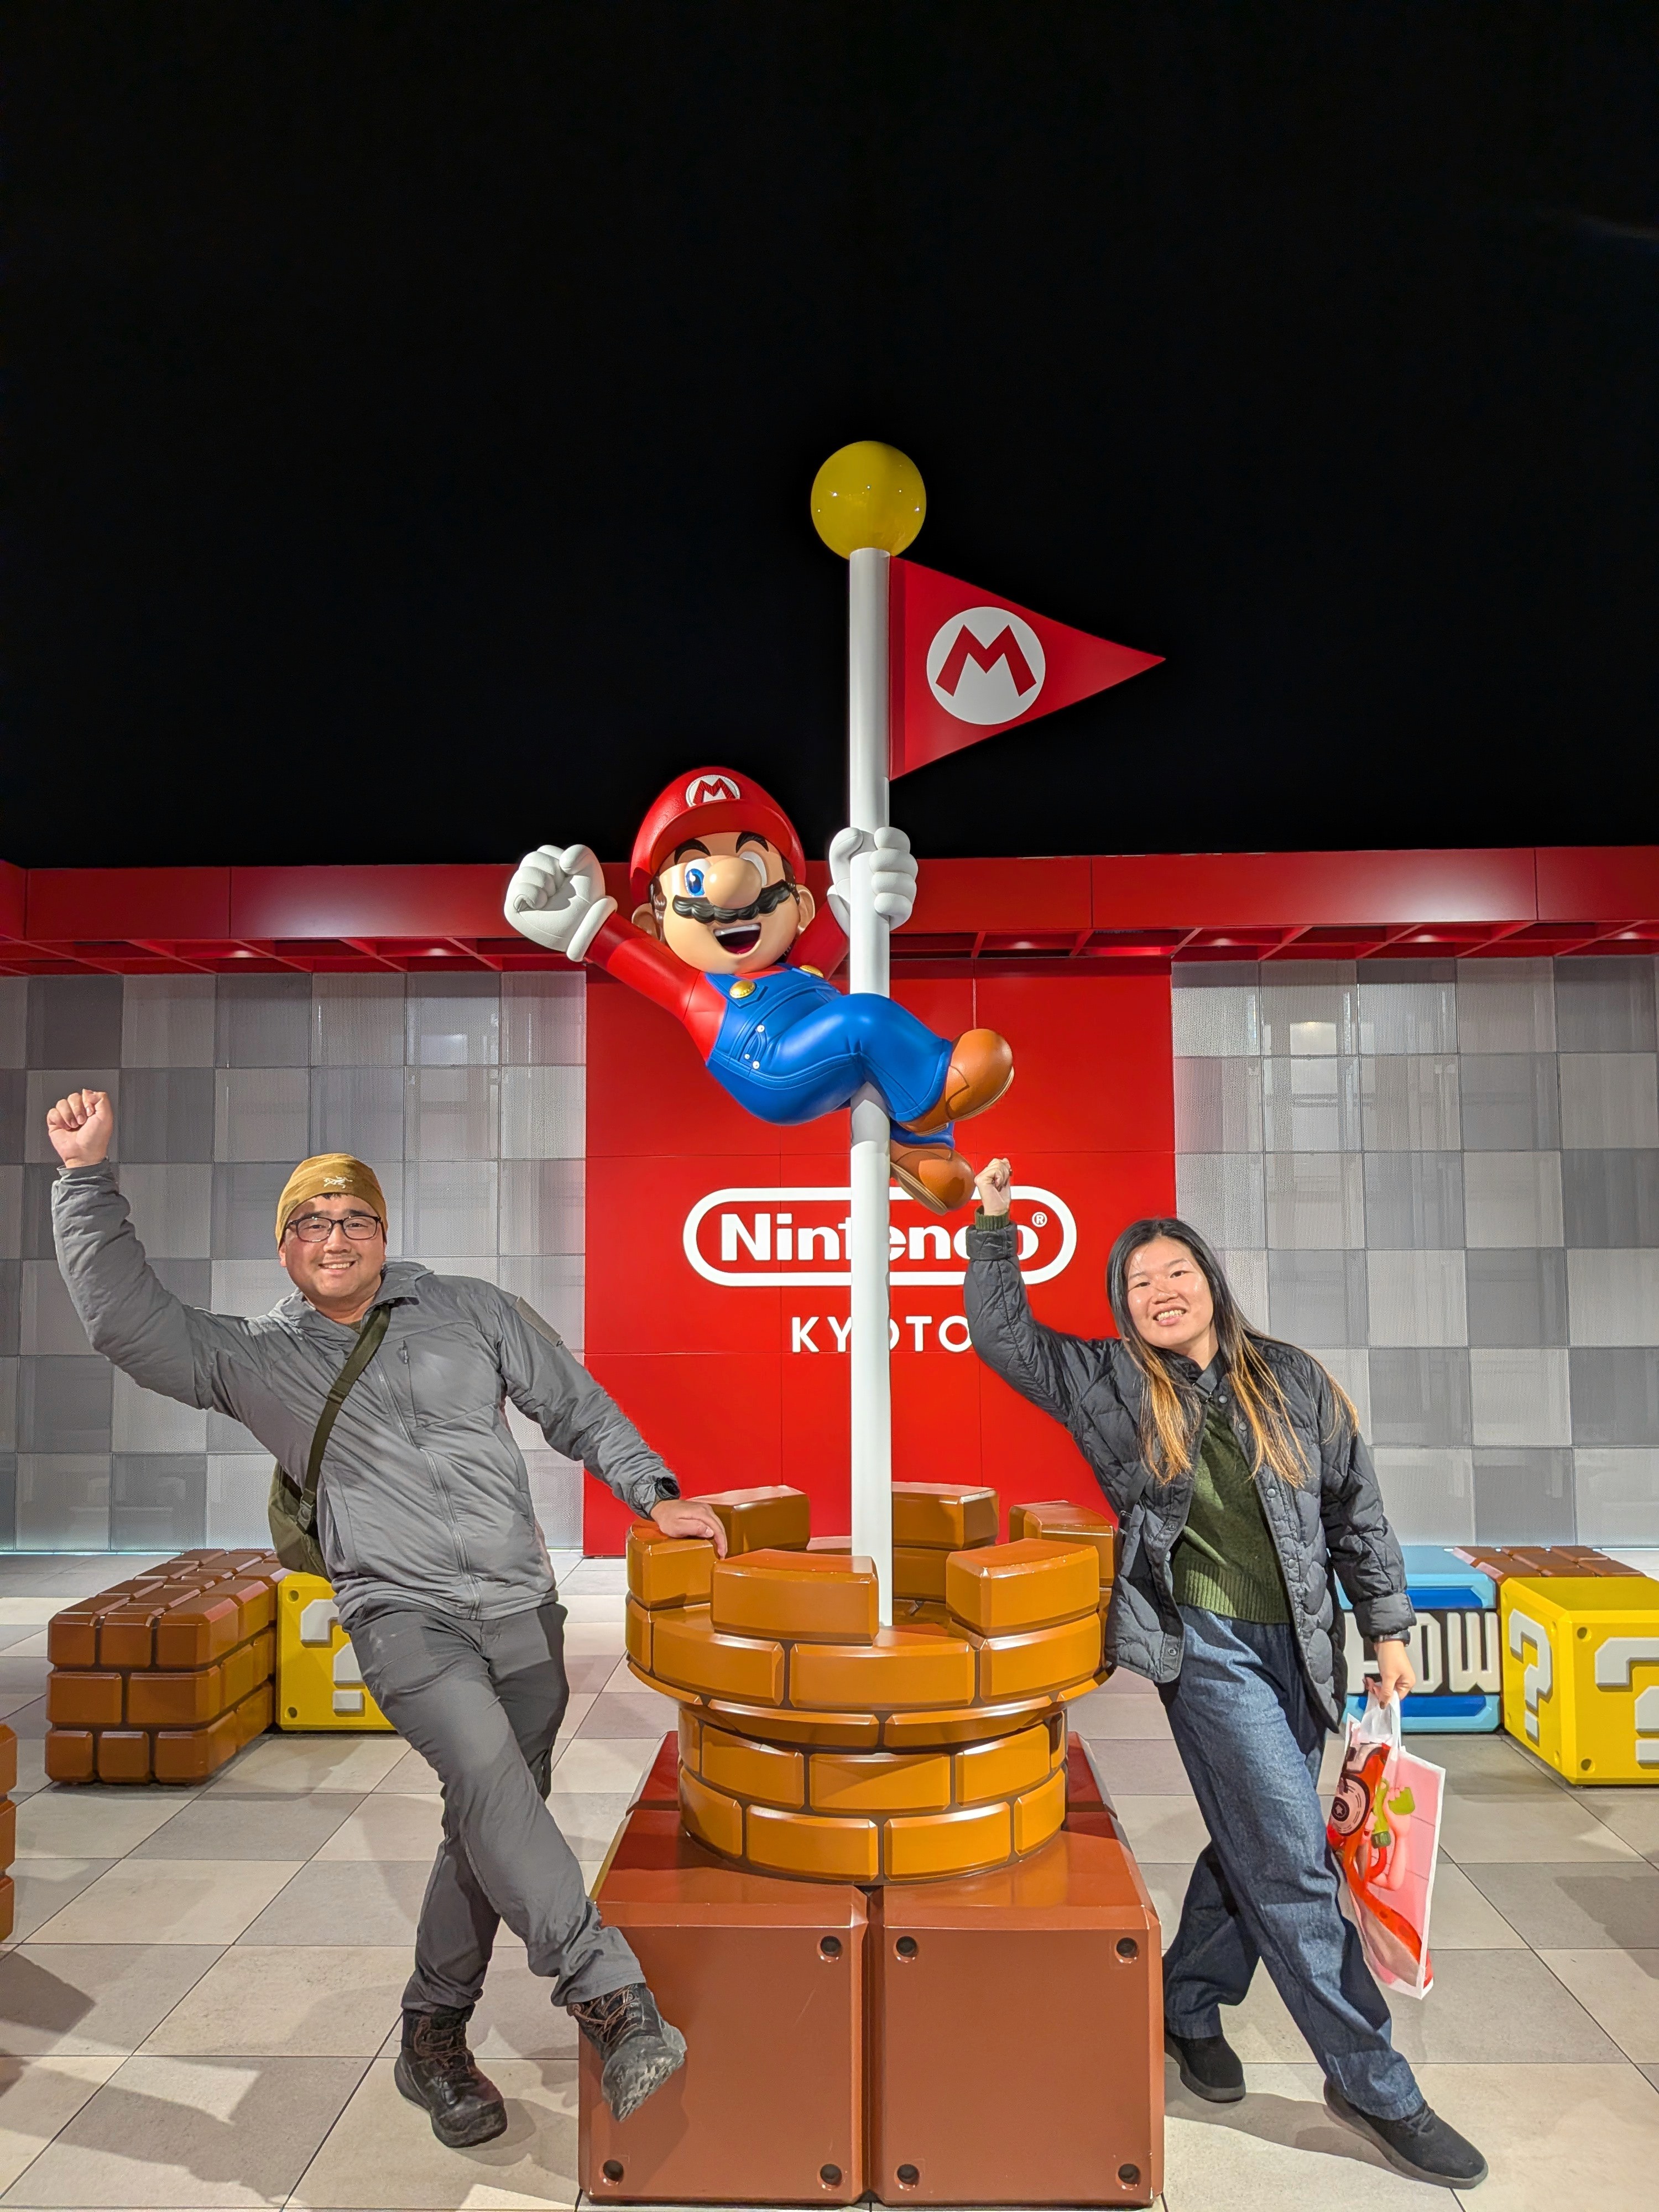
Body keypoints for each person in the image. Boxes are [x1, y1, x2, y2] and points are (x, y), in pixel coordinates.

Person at [47, 1088, 724, 2150]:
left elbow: (574, 1404)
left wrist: (650, 1487)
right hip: (402, 1615)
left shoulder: (471, 1309)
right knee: (494, 1786)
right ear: (283, 1248)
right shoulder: (252, 1361)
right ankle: (611, 1999)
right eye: (310, 1224)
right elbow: (124, 1321)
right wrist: (87, 1182)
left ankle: (431, 2037)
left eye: (353, 1218)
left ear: (383, 1234)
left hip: (521, 1608)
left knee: (487, 1825)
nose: (334, 1238)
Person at [963, 1160, 1486, 2193]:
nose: (1161, 1291)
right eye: (1139, 1283)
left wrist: (1386, 1627)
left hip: (1302, 1645)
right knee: (1294, 1862)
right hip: (1202, 1651)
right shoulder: (1110, 1383)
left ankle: (1186, 2002)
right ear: (1125, 1307)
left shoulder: (1290, 1378)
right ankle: (1376, 2085)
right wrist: (992, 1227)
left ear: (1210, 1278)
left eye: (1176, 1272)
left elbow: (1353, 1511)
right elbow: (1005, 1340)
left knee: (1257, 1837)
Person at [503, 765, 1013, 1211]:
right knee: (866, 1021)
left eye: (756, 865)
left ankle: (923, 1154)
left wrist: (862, 901)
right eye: (695, 879)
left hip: (815, 1051)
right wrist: (585, 928)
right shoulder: (696, 989)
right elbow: (629, 957)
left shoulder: (798, 968)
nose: (734, 887)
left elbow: (839, 929)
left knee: (875, 1066)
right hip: (768, 1062)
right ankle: (936, 1085)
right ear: (652, 925)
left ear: (802, 907)